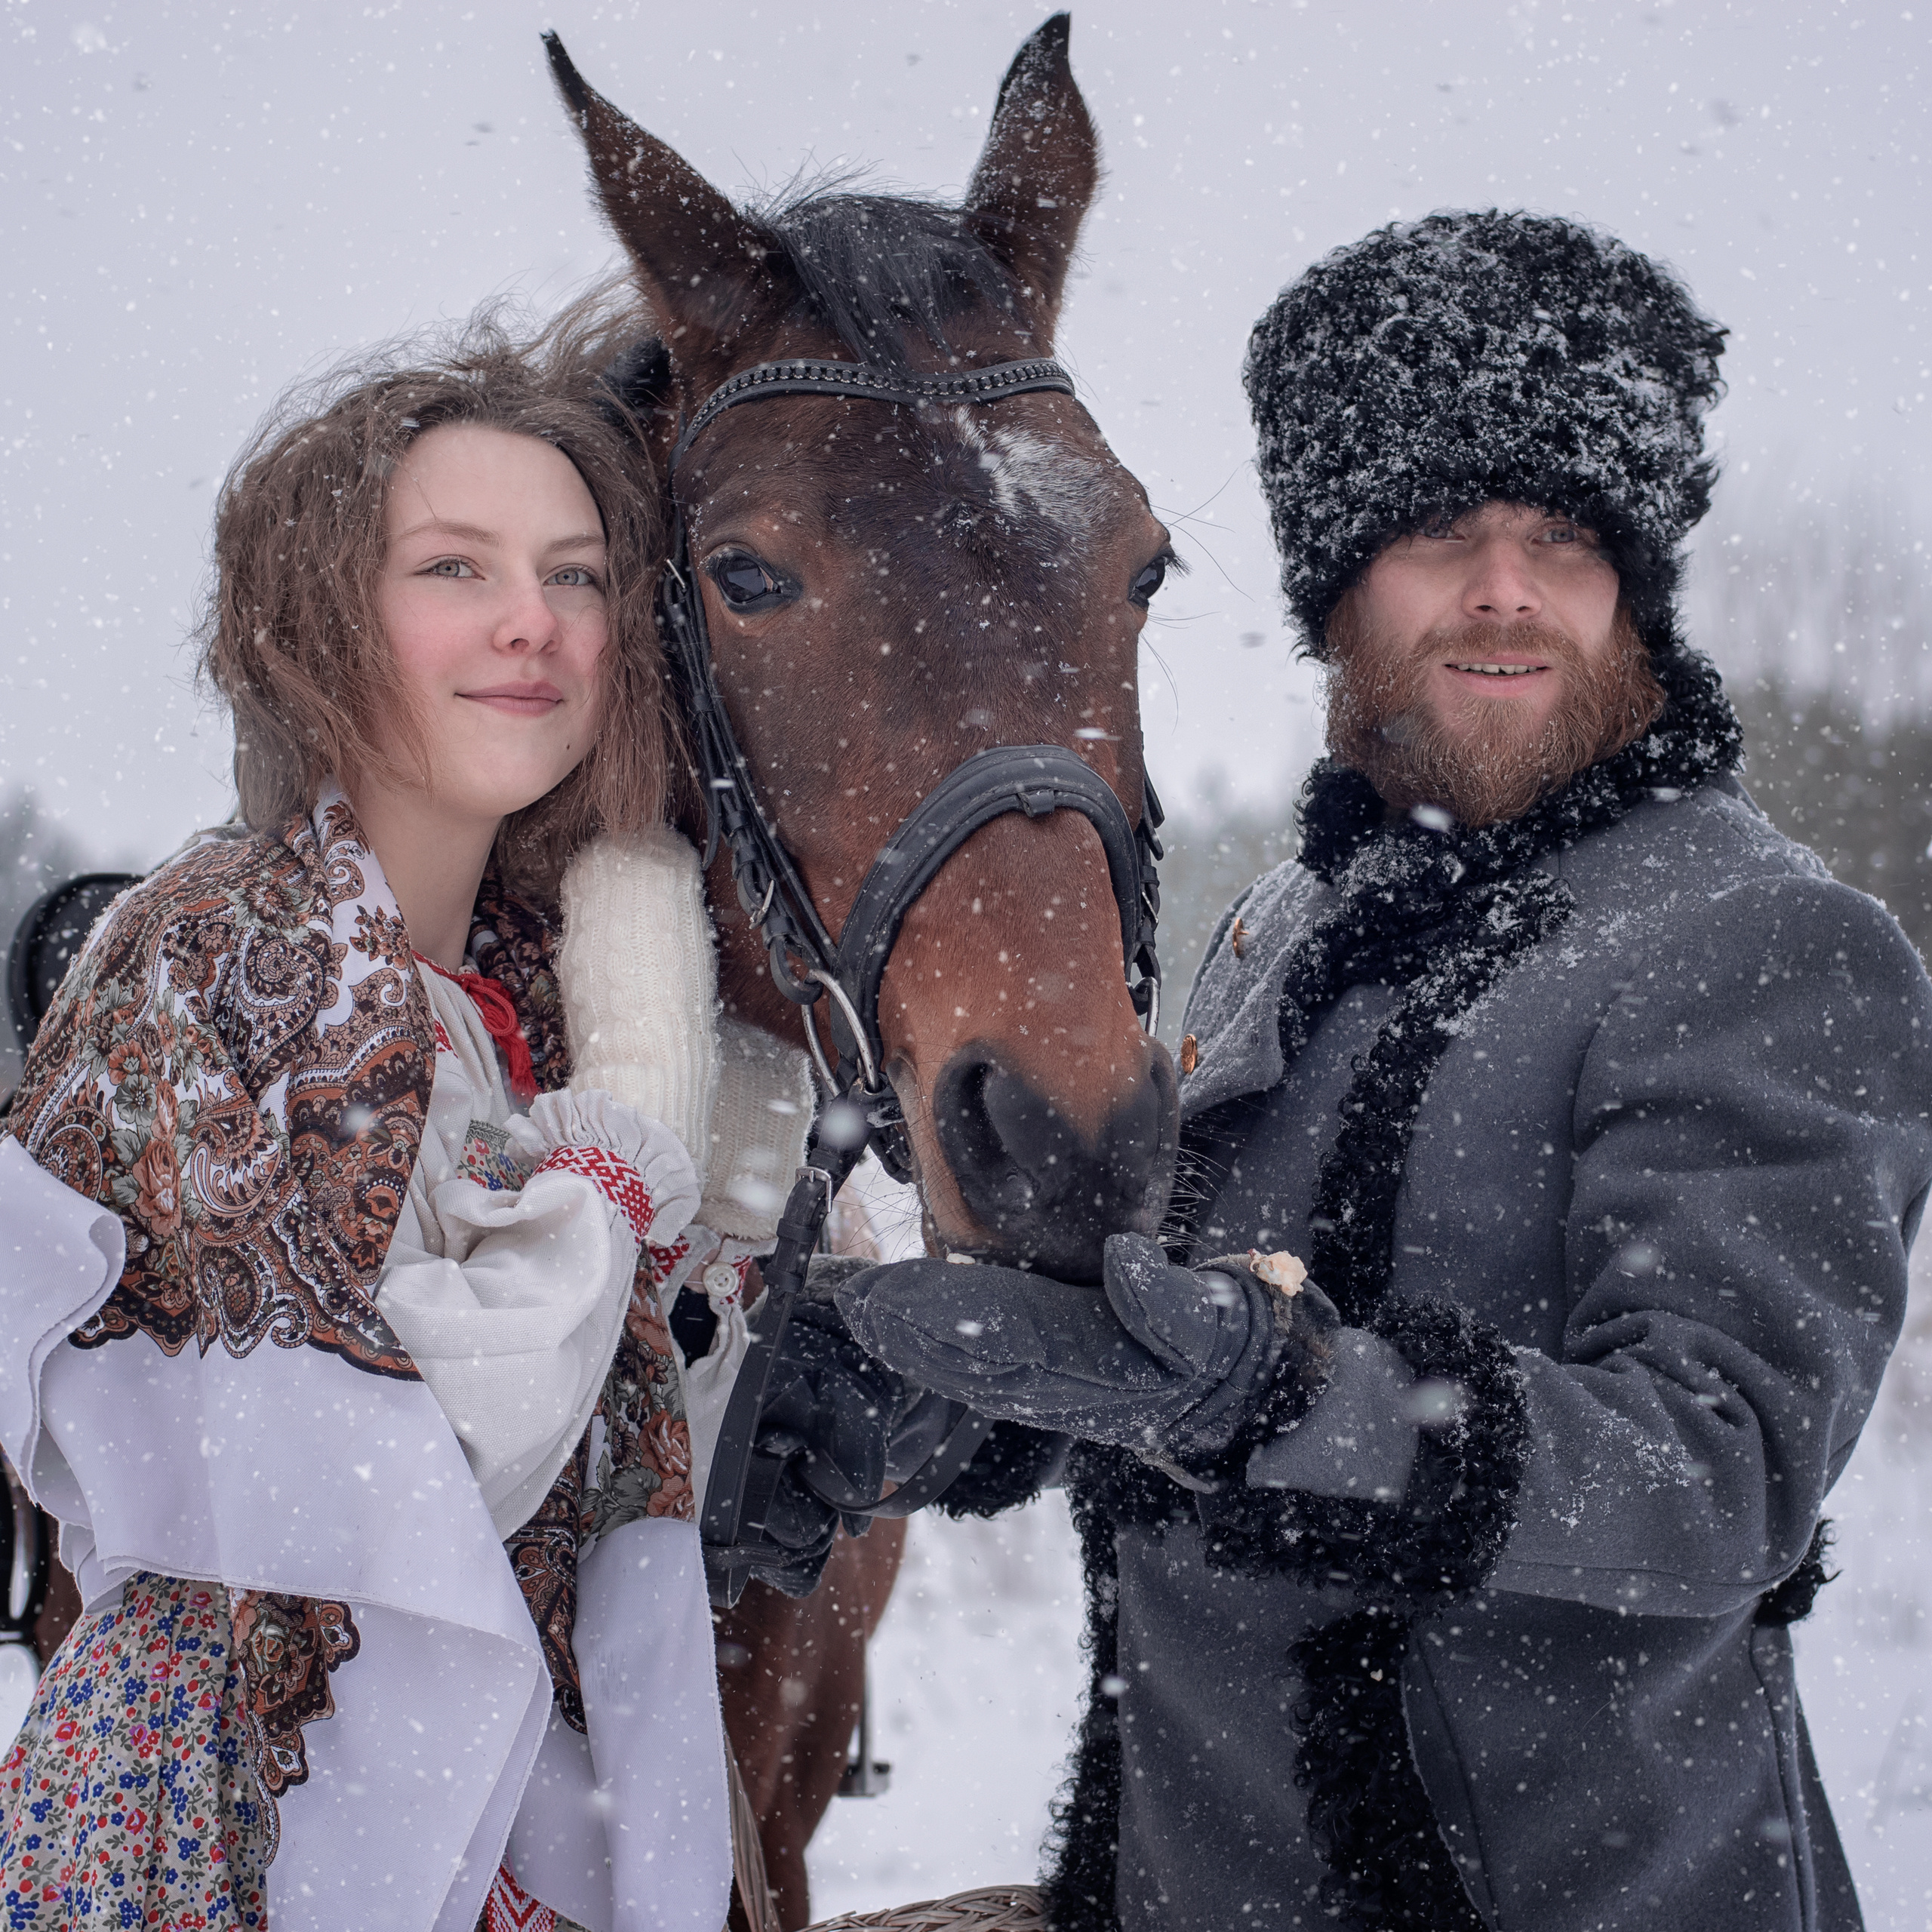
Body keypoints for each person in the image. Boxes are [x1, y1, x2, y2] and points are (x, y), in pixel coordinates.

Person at [834, 212, 1932, 1931]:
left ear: (1631, 585)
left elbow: (1716, 1471)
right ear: (1334, 586)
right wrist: (964, 1414)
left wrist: (1283, 1395)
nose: (1504, 589)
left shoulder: (1762, 940)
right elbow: (1172, 1360)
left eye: (1562, 537)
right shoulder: (1289, 917)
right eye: (1439, 534)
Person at [0, 293, 814, 1932]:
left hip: (468, 1817)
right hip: (259, 1828)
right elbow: (418, 1459)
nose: (534, 621)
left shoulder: (471, 998)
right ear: (318, 617)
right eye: (457, 566)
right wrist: (601, 1177)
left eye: (575, 574)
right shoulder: (239, 939)